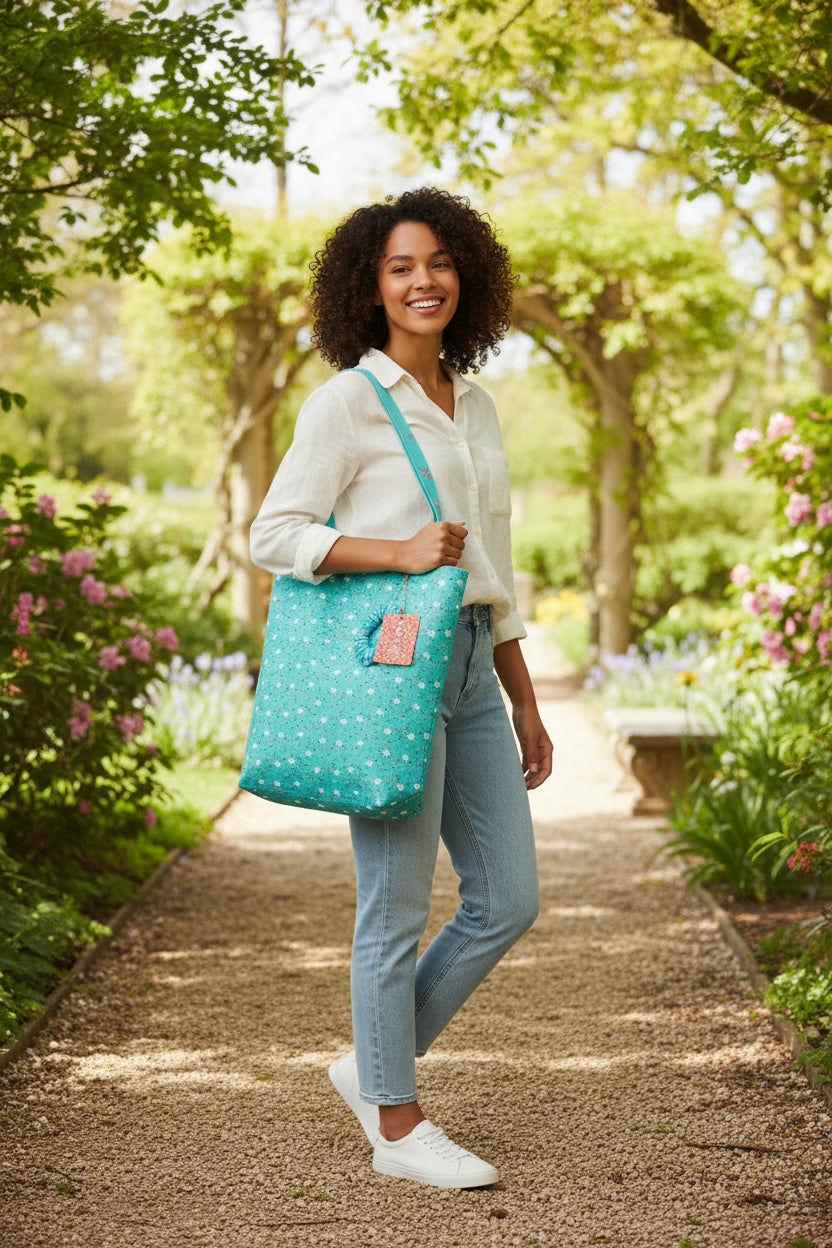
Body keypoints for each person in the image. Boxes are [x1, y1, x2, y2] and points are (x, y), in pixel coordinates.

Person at [250, 186, 553, 1189]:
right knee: (394, 907)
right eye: (400, 268)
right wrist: (396, 551)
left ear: (467, 274)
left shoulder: (476, 404)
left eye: (439, 262)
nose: (424, 281)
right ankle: (396, 1123)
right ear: (370, 289)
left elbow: (491, 565)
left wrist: (524, 697)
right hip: (391, 665)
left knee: (507, 899)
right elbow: (274, 534)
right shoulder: (346, 401)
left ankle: (370, 1064)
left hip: (471, 663)